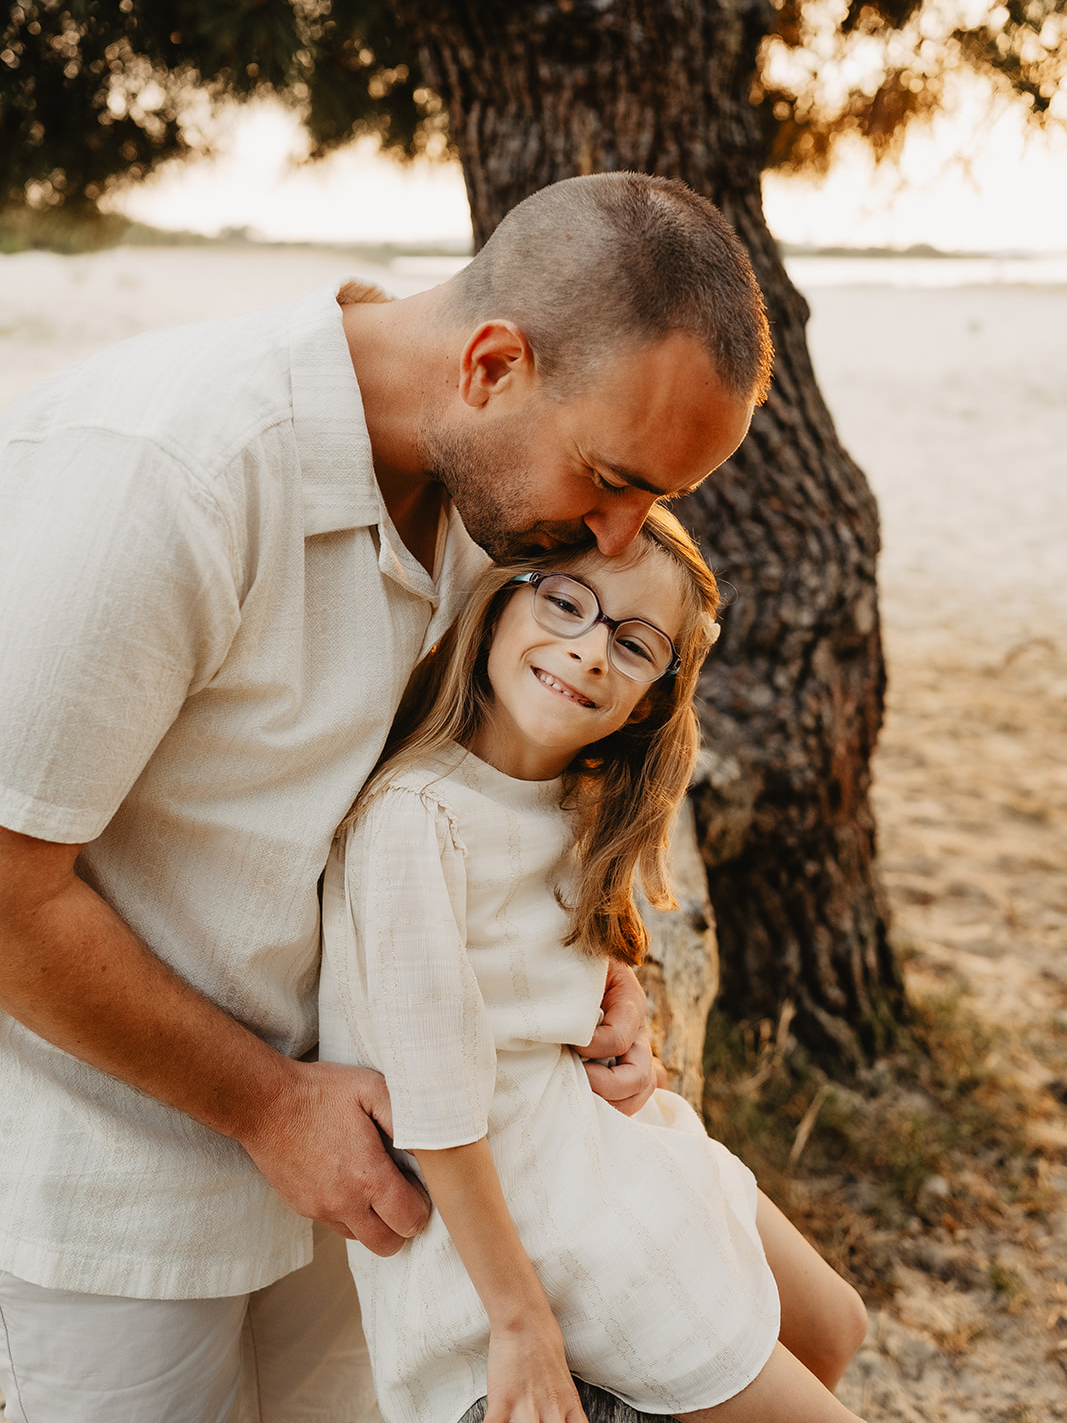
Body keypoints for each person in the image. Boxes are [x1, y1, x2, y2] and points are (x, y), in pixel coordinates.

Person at [0, 172, 773, 1422]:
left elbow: (459, 804)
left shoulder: (504, 503)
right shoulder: (168, 475)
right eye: (609, 477)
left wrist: (591, 972)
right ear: (489, 363)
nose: (620, 536)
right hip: (108, 1197)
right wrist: (262, 1103)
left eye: (654, 503)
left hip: (378, 1186)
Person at [320, 504, 869, 1423]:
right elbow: (436, 1106)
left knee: (832, 1325)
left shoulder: (574, 804)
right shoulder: (417, 818)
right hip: (521, 1213)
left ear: (651, 697)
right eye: (566, 602)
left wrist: (621, 1014)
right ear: (499, 608)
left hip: (593, 1141)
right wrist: (517, 1318)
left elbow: (553, 980)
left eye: (633, 643)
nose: (586, 651)